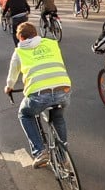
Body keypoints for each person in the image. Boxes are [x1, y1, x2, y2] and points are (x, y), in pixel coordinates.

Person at [4, 22, 71, 168]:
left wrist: (9, 88)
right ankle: (63, 154)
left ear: (21, 38)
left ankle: (40, 151)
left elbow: (12, 75)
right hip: (63, 88)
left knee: (25, 114)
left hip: (39, 94)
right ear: (36, 33)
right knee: (58, 117)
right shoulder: (52, 43)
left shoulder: (19, 51)